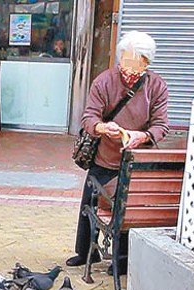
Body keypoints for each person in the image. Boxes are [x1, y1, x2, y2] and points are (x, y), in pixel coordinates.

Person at [66, 31, 169, 274]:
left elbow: (161, 125)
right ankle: (85, 252)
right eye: (125, 65)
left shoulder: (156, 86)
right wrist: (103, 127)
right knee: (90, 200)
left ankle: (121, 261)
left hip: (136, 159)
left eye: (137, 68)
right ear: (119, 59)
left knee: (128, 207)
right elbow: (89, 117)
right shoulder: (104, 81)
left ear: (147, 63)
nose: (130, 74)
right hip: (105, 155)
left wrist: (142, 136)